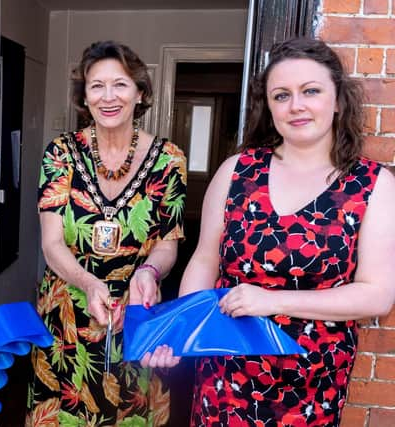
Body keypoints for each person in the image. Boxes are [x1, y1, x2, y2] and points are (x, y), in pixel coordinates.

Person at [141, 37, 395, 426]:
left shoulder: (371, 184)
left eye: (311, 91)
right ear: (269, 107)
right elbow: (205, 261)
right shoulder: (236, 171)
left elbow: (376, 296)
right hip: (225, 374)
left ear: (338, 100)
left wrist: (272, 301)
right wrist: (182, 333)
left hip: (313, 383)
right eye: (281, 95)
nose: (296, 105)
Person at [27, 40, 187, 426]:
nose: (108, 96)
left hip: (136, 314)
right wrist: (87, 282)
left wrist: (148, 273)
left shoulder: (169, 159)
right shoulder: (60, 154)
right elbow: (51, 243)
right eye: (96, 85)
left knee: (131, 411)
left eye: (120, 84)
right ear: (84, 96)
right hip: (66, 316)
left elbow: (167, 245)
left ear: (140, 92)